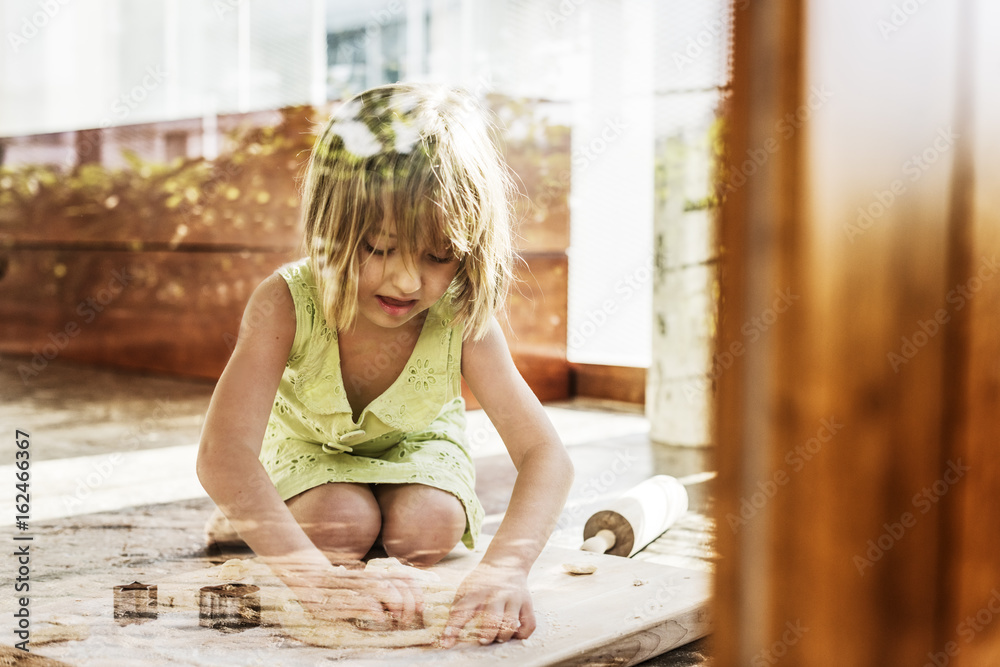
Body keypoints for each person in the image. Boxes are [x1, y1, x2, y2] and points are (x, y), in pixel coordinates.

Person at [196, 82, 574, 647]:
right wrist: (315, 581)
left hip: (418, 443)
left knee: (428, 530)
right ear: (331, 229)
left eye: (438, 255)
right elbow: (222, 454)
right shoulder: (284, 302)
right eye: (378, 247)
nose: (405, 281)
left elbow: (546, 455)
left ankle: (302, 521)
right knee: (340, 528)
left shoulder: (460, 315)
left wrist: (505, 569)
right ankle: (263, 519)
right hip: (308, 444)